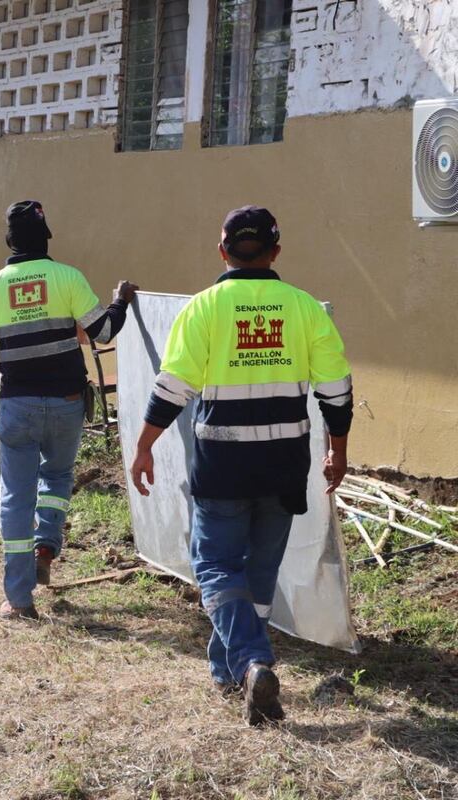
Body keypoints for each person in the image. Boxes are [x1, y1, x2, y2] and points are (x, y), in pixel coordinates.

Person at [129, 206, 353, 726]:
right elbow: (336, 389)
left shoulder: (204, 309)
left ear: (222, 250)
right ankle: (231, 674)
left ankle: (252, 662)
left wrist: (144, 446)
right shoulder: (303, 309)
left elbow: (172, 388)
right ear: (276, 251)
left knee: (214, 567)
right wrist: (338, 450)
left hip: (223, 465)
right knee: (256, 575)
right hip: (283, 465)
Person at [0, 200, 137, 620]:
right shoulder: (68, 277)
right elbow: (104, 331)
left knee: (16, 497)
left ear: (9, 241)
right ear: (46, 237)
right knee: (56, 477)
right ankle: (46, 547)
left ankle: (19, 599)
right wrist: (119, 300)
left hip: (17, 405)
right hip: (69, 402)